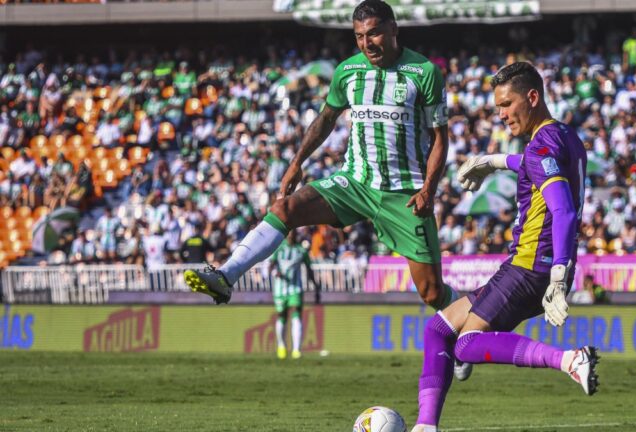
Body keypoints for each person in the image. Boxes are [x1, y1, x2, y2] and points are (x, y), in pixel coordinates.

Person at [183, 0, 457, 312]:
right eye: (359, 36)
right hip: (355, 183)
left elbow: (440, 138)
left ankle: (467, 332)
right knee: (284, 208)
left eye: (374, 33)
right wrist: (296, 163)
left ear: (393, 29)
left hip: (405, 194)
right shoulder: (348, 71)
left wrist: (428, 190)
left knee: (432, 293)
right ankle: (225, 276)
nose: (367, 43)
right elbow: (325, 119)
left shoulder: (423, 73)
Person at [410, 62, 597, 432]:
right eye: (497, 107)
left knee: (465, 344)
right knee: (438, 330)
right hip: (531, 264)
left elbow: (563, 210)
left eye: (507, 104)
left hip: (532, 265)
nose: (501, 114)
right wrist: (493, 162)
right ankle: (426, 426)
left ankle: (570, 360)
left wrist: (559, 274)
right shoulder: (561, 135)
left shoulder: (541, 143)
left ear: (532, 97)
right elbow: (533, 165)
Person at [270, 230, 317, 360]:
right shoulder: (279, 249)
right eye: (289, 233)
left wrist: (315, 286)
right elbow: (271, 266)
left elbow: (308, 269)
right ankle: (281, 345)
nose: (291, 236)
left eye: (293, 233)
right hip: (280, 288)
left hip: (295, 287)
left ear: (296, 235)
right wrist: (275, 273)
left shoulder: (301, 250)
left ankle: (297, 349)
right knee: (282, 316)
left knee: (296, 313)